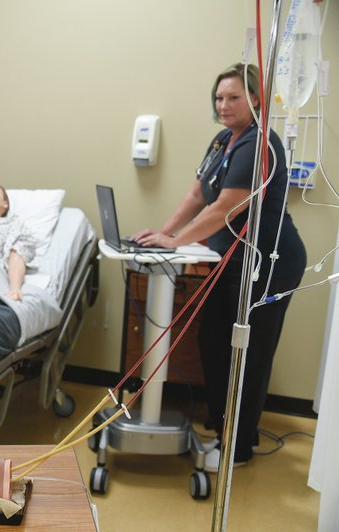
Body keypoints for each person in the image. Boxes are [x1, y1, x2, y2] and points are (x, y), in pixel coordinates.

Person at [131, 63, 306, 472]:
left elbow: (226, 206)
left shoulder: (260, 144)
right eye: (218, 98)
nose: (223, 105)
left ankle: (238, 448)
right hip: (229, 261)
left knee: (249, 355)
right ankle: (220, 427)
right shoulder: (223, 141)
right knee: (213, 341)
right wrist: (164, 231)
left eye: (233, 98)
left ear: (255, 99)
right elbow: (197, 194)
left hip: (266, 265)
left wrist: (176, 243)